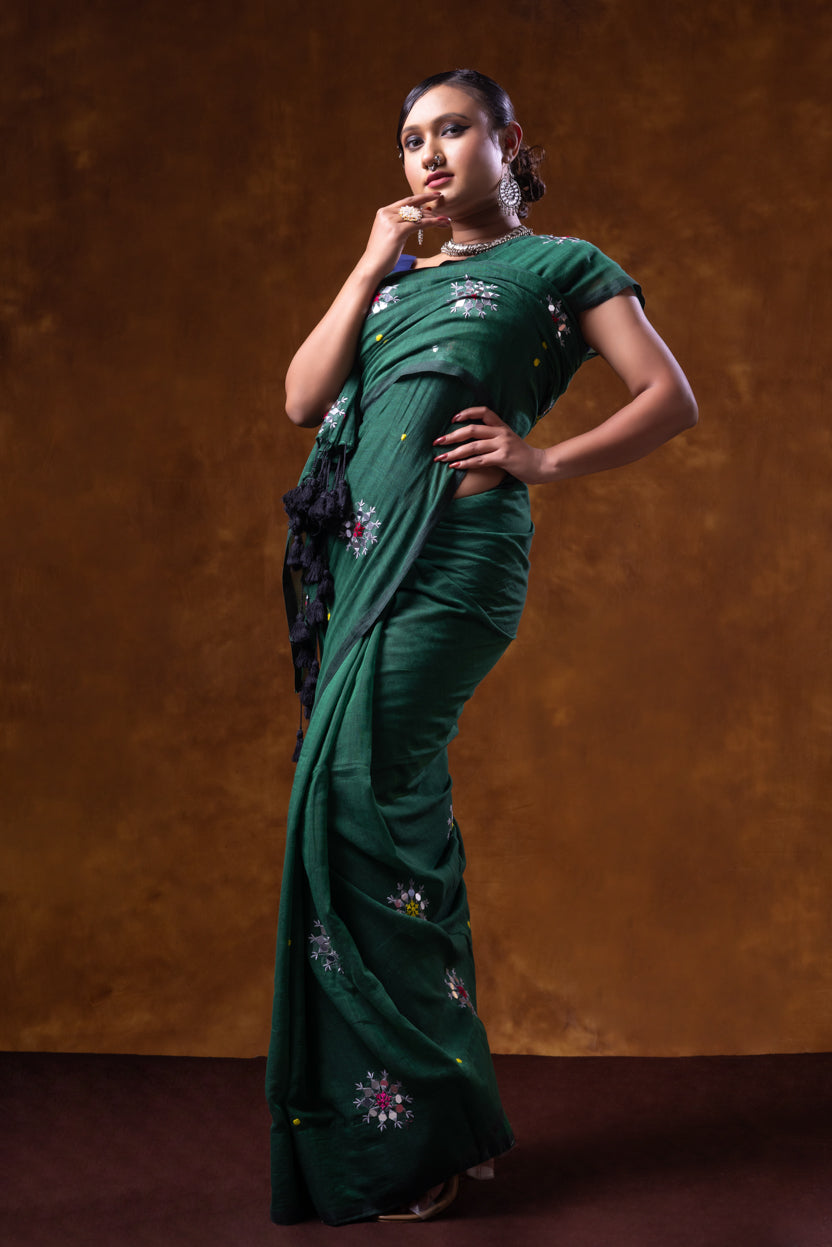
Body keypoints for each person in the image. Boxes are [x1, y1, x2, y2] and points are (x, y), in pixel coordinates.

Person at [265, 68, 697, 1226]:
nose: (429, 155)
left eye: (452, 130)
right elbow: (306, 399)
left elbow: (669, 394)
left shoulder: (561, 266)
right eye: (410, 139)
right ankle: (437, 1114)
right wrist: (366, 266)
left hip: (452, 564)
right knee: (379, 813)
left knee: (357, 794)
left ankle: (421, 1121)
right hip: (362, 564)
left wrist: (541, 458)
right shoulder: (398, 281)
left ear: (505, 140)